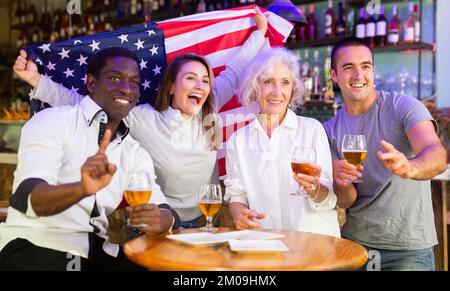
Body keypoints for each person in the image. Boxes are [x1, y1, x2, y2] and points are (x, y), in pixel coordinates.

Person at [13, 7, 269, 229]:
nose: (200, 86)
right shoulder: (144, 118)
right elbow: (84, 103)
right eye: (190, 78)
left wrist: (259, 33)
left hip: (205, 221)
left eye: (205, 80)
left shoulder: (209, 110)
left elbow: (235, 70)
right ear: (171, 86)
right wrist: (36, 80)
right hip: (155, 223)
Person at [0, 47, 177, 271]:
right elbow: (27, 199)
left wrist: (160, 220)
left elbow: (164, 210)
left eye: (134, 82)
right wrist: (82, 188)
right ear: (92, 83)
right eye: (115, 78)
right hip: (36, 245)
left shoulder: (134, 152)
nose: (126, 89)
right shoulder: (53, 122)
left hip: (97, 252)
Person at [323, 37, 447, 271]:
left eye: (365, 66)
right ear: (334, 75)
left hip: (407, 249)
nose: (359, 75)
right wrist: (340, 182)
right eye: (348, 67)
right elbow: (346, 200)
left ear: (373, 71)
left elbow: (436, 154)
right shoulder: (329, 130)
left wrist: (411, 167)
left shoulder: (404, 107)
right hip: (354, 243)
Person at [224, 47, 340, 237]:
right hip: (266, 242)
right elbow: (237, 194)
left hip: (314, 244)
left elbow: (328, 199)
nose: (277, 92)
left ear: (292, 88)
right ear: (255, 87)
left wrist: (315, 188)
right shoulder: (238, 140)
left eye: (285, 83)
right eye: (268, 82)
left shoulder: (312, 129)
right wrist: (239, 215)